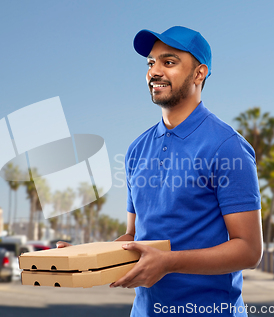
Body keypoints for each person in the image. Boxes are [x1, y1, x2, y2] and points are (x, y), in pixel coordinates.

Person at [59, 26, 262, 316]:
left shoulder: (227, 147)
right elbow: (133, 237)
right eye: (150, 63)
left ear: (199, 74)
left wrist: (168, 262)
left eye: (169, 62)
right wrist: (86, 257)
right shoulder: (136, 149)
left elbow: (250, 251)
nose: (155, 71)